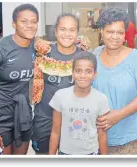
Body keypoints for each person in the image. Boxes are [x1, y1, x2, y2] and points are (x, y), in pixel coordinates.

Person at [92, 8, 137, 155]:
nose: (115, 37)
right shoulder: (94, 55)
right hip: (98, 138)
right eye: (110, 32)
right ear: (101, 32)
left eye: (120, 32)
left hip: (132, 139)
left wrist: (118, 115)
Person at [0, 4, 39, 155]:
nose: (30, 25)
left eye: (33, 21)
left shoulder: (37, 46)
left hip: (23, 113)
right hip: (0, 117)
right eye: (24, 21)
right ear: (14, 24)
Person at [31, 13, 83, 155]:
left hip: (74, 122)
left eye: (72, 30)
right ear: (55, 31)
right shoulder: (43, 53)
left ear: (77, 33)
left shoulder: (84, 56)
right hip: (44, 120)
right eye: (63, 29)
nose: (67, 34)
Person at [49, 51, 110, 155]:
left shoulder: (101, 99)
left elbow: (102, 134)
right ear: (72, 73)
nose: (83, 75)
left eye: (88, 71)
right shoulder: (60, 96)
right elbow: (55, 132)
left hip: (91, 153)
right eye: (78, 71)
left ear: (95, 74)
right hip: (65, 153)